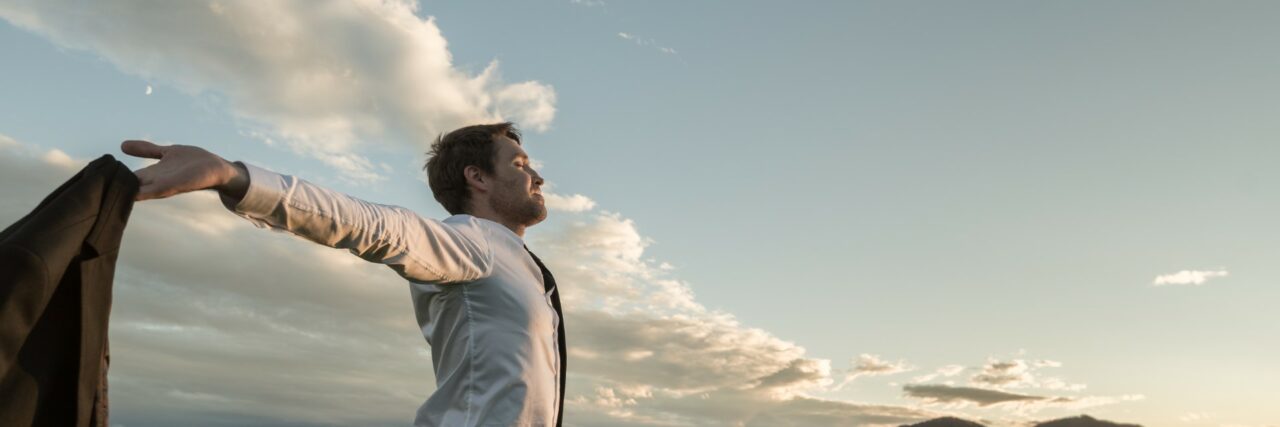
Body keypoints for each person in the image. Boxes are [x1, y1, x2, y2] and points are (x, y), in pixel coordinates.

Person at [120, 122, 567, 427]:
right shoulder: (472, 242)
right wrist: (235, 178)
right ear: (478, 178)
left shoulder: (517, 264)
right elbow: (374, 226)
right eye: (520, 164)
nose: (538, 176)